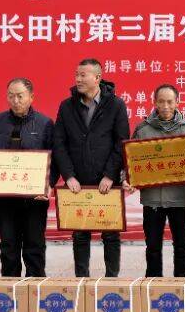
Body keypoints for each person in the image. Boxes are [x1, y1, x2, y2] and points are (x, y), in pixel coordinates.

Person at [51, 58, 130, 277]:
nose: (78, 79)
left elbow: (121, 142)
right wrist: (68, 175)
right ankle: (81, 280)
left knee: (110, 234)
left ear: (97, 78)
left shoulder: (116, 105)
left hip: (107, 181)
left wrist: (110, 175)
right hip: (78, 180)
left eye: (83, 75)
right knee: (80, 234)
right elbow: (59, 143)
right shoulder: (67, 106)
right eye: (76, 74)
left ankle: (111, 280)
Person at [129, 84, 185, 277]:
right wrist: (128, 178)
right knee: (153, 247)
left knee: (182, 246)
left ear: (178, 102)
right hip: (152, 199)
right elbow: (130, 160)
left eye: (170, 101)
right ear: (155, 102)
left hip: (180, 198)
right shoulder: (143, 130)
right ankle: (153, 286)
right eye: (161, 101)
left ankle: (182, 285)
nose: (166, 106)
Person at [0, 77, 54, 278]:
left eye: (20, 96)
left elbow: (55, 158)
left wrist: (49, 184)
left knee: (34, 246)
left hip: (35, 198)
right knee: (8, 245)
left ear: (31, 97)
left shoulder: (44, 123)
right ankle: (10, 287)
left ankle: (35, 288)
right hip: (6, 198)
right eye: (11, 96)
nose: (15, 101)